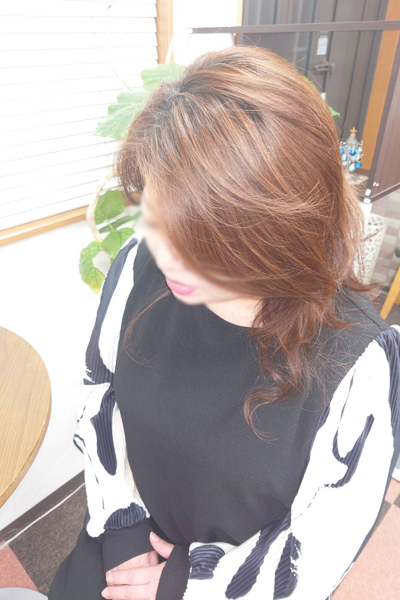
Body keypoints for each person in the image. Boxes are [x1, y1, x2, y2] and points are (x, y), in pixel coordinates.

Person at [48, 45, 400, 600]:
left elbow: (324, 541)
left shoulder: (357, 360)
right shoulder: (138, 266)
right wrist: (123, 528)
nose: (169, 258)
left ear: (284, 228)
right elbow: (101, 395)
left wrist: (185, 584)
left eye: (206, 240)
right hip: (122, 546)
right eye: (159, 218)